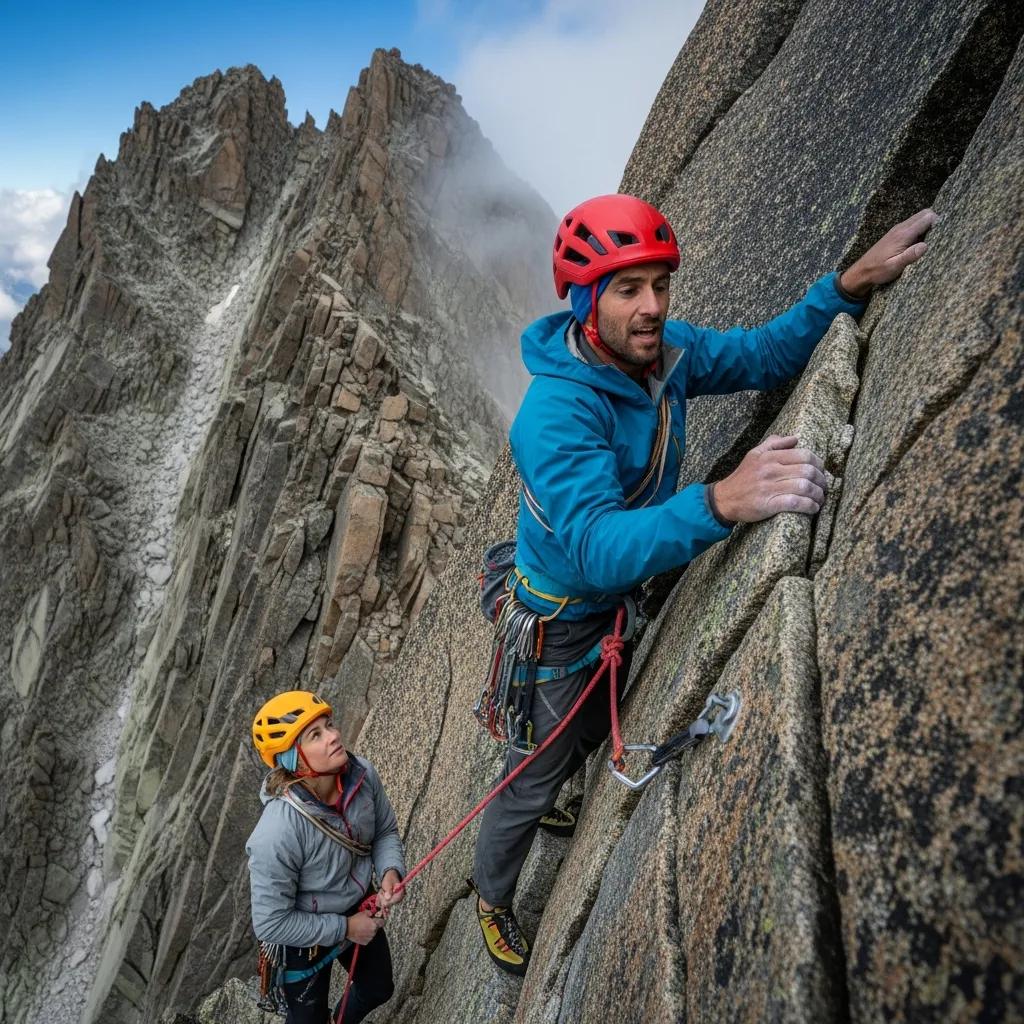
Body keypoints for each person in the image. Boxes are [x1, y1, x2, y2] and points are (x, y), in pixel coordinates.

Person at [470, 194, 937, 975]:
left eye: (660, 283)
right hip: (560, 617)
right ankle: (491, 897)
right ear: (586, 303)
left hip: (610, 596)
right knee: (534, 774)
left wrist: (847, 286)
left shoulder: (663, 355)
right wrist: (720, 500)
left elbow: (759, 356)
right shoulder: (554, 415)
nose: (652, 306)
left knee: (593, 727)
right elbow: (591, 548)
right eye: (627, 289)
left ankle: (562, 789)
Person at [246, 690, 406, 1023]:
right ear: (291, 759)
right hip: (302, 934)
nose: (334, 736)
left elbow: (385, 832)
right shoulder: (275, 835)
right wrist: (345, 927)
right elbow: (271, 922)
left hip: (357, 902)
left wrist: (390, 871)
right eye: (315, 735)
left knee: (378, 988)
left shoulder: (361, 776)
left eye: (329, 725)